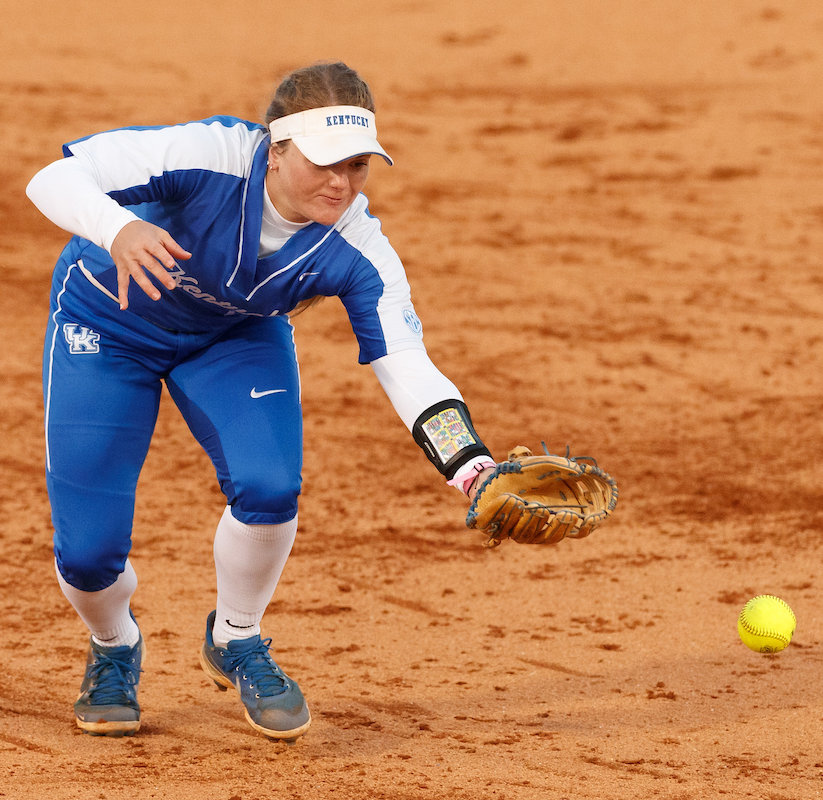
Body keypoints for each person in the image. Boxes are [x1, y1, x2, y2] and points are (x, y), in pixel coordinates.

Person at [25, 62, 497, 742]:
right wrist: (118, 229)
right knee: (89, 551)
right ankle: (113, 646)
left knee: (271, 484)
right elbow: (54, 177)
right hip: (109, 322)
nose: (342, 182)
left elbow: (406, 363)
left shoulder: (357, 243)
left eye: (358, 165)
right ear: (276, 151)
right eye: (324, 163)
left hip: (232, 337)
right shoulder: (210, 155)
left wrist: (471, 468)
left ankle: (238, 638)